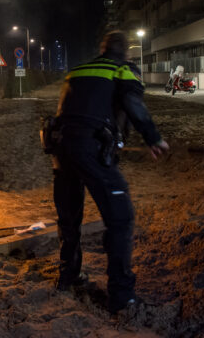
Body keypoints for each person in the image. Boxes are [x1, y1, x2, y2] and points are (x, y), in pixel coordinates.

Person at [52, 30, 170, 313]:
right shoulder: (122, 69)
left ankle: (68, 276)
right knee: (121, 218)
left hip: (60, 146)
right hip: (91, 147)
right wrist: (152, 137)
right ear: (126, 52)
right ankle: (121, 296)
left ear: (102, 48)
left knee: (70, 217)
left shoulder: (77, 70)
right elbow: (132, 103)